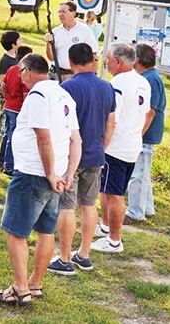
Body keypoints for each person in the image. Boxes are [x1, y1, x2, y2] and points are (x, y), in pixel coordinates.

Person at [0, 53, 81, 307]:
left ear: (28, 71)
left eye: (20, 72)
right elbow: (76, 140)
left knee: (15, 230)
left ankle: (20, 288)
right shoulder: (64, 95)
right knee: (45, 230)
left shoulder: (38, 96)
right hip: (57, 175)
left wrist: (51, 173)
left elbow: (44, 138)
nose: (19, 77)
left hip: (33, 174)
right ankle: (35, 283)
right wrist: (68, 174)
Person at [46, 43, 116, 276]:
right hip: (96, 154)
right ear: (93, 60)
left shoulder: (67, 88)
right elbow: (110, 123)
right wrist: (101, 147)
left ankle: (65, 258)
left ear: (71, 61)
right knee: (88, 204)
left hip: (71, 157)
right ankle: (84, 255)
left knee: (66, 205)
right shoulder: (107, 87)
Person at [92, 43, 150, 254]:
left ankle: (115, 240)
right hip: (132, 145)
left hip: (115, 146)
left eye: (107, 59)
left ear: (117, 61)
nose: (105, 62)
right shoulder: (143, 82)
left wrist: (103, 144)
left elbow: (111, 119)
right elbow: (145, 114)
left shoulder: (116, 84)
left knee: (115, 193)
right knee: (107, 189)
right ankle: (106, 226)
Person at [125, 44, 166, 224]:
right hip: (147, 133)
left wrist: (138, 134)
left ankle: (135, 212)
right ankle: (147, 208)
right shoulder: (150, 77)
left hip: (145, 134)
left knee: (138, 174)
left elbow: (150, 112)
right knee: (143, 172)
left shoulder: (149, 80)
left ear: (137, 60)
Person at [0, 45, 33, 176]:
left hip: (9, 105)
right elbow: (25, 96)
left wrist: (7, 97)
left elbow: (3, 86)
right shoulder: (24, 74)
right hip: (18, 108)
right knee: (14, 137)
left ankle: (1, 160)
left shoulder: (11, 70)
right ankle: (9, 166)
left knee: (7, 134)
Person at [44, 0, 98, 80]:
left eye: (64, 12)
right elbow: (51, 58)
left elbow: (93, 54)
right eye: (59, 12)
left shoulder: (84, 30)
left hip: (76, 76)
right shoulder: (55, 31)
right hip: (57, 74)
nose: (60, 15)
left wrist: (93, 76)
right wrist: (48, 43)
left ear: (73, 13)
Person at [0, 31, 21, 170]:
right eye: (19, 39)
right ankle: (2, 158)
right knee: (5, 127)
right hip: (8, 99)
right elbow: (3, 81)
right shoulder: (5, 60)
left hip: (14, 99)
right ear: (13, 44)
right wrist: (8, 96)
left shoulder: (18, 58)